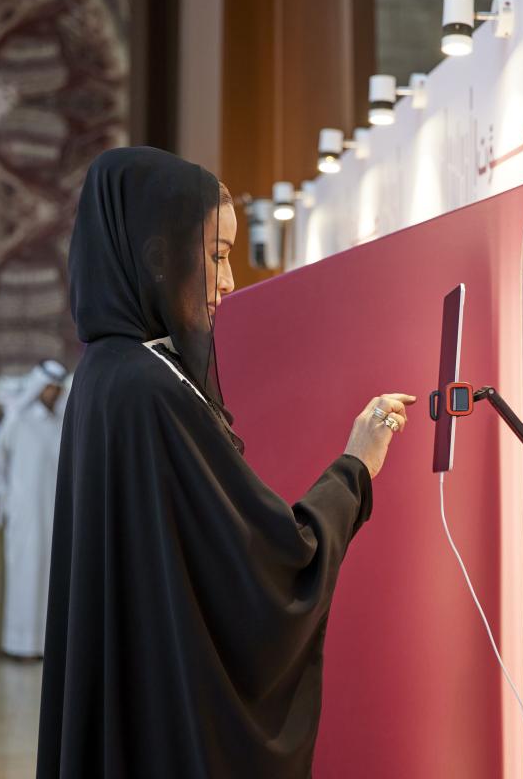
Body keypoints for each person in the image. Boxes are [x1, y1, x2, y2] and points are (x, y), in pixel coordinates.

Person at [36, 147, 416, 778]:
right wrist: (356, 466)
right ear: (160, 258)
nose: (230, 281)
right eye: (215, 255)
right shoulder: (148, 387)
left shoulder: (106, 374)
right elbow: (267, 565)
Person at [0, 360, 68, 658]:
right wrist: (9, 499)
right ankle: (20, 645)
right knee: (26, 576)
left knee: (52, 578)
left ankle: (48, 646)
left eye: (57, 388)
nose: (53, 393)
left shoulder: (63, 423)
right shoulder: (18, 420)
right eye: (48, 387)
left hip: (56, 515)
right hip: (25, 516)